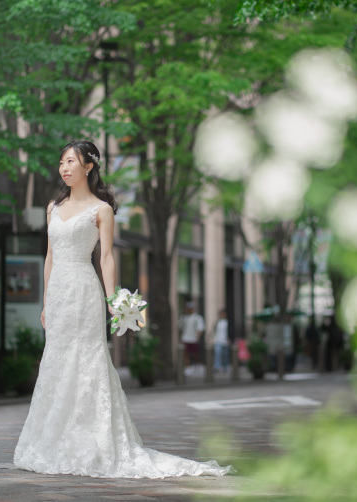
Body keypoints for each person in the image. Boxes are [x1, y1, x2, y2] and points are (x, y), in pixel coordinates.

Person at [13, 140, 231, 478]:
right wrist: (45, 301)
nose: (64, 168)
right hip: (58, 294)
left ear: (89, 167)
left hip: (85, 290)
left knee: (87, 359)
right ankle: (55, 441)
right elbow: (50, 257)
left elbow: (107, 258)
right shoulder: (52, 207)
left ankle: (94, 442)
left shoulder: (102, 209)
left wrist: (113, 300)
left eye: (71, 162)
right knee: (57, 360)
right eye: (61, 163)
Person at [179, 301, 204, 367]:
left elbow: (200, 328)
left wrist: (197, 337)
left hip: (194, 339)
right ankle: (187, 366)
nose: (189, 310)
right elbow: (181, 328)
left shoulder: (197, 318)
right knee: (186, 354)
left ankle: (196, 365)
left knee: (195, 353)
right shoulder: (183, 318)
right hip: (185, 338)